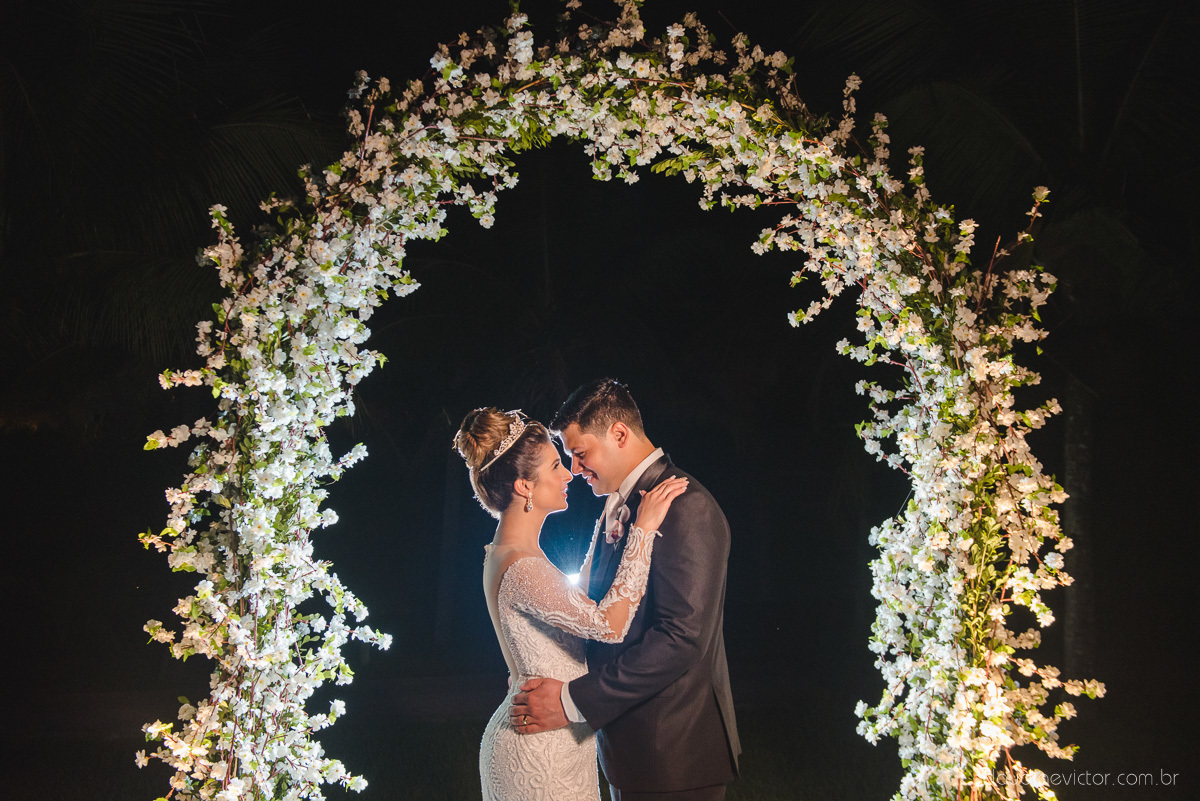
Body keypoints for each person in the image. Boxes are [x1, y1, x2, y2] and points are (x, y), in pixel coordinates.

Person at [509, 379, 741, 801]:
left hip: (671, 755)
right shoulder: (620, 504)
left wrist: (572, 700)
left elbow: (681, 638)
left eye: (580, 454)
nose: (575, 470)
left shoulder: (686, 507)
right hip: (631, 752)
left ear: (619, 433)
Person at [455, 406, 689, 801]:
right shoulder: (522, 566)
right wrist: (643, 533)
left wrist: (605, 530)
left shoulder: (512, 553)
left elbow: (567, 602)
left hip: (555, 740)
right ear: (524, 486)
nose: (569, 474)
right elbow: (610, 625)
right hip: (538, 756)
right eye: (554, 467)